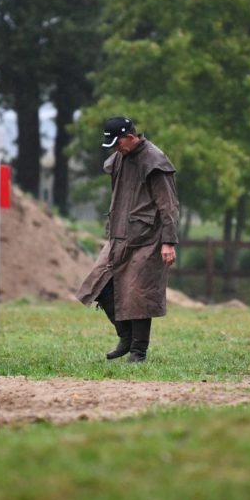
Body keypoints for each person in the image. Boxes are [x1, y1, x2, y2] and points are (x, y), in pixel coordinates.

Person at [77, 116, 179, 363]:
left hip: (148, 239)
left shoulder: (155, 161)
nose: (115, 149)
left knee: (139, 295)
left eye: (117, 143)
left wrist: (168, 242)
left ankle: (138, 352)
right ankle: (125, 336)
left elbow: (169, 206)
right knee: (99, 285)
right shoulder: (120, 158)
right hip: (119, 236)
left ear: (130, 137)